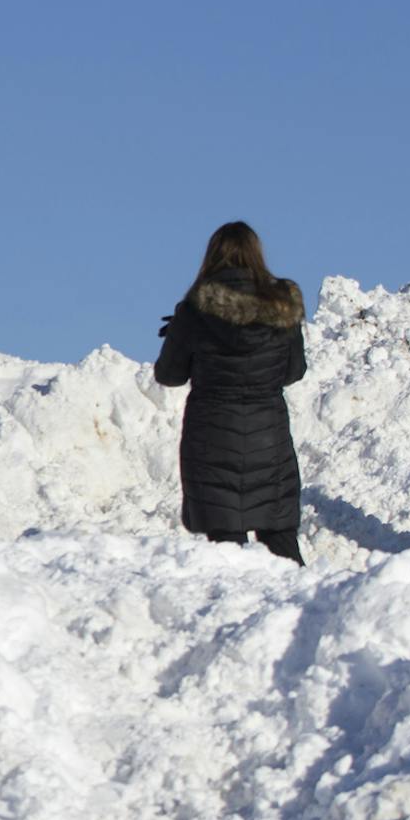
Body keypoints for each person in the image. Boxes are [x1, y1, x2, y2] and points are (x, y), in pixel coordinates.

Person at [154, 221, 308, 564]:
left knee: (226, 549)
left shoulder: (194, 311)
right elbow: (293, 372)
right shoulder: (283, 309)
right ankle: (307, 607)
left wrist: (180, 332)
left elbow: (169, 375)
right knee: (280, 541)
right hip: (268, 439)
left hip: (211, 437)